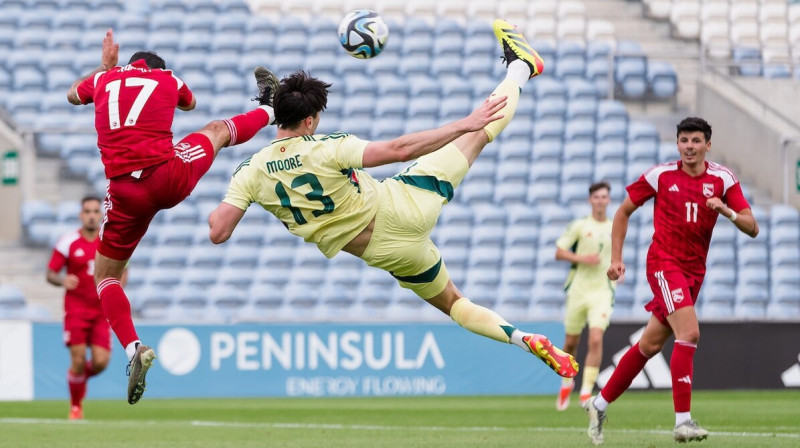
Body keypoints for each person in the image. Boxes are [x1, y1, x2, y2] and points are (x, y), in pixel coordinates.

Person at [208, 20, 579, 380]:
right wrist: (461, 124)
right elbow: (399, 150)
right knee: (480, 132)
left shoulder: (251, 171)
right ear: (309, 121)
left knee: (454, 304)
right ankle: (522, 67)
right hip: (403, 203)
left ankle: (521, 338)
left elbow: (218, 232)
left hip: (388, 253)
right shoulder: (328, 147)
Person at [67, 29, 280, 404]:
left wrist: (104, 67)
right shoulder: (168, 78)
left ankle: (133, 348)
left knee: (105, 276)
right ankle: (270, 107)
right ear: (157, 68)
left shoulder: (100, 80)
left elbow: (71, 95)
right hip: (167, 177)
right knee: (215, 131)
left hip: (124, 194)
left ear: (130, 63)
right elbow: (190, 105)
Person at [585, 117, 759, 445]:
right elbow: (622, 212)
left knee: (650, 344)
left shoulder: (722, 180)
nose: (689, 147)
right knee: (689, 332)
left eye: (695, 141)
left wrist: (727, 211)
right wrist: (616, 259)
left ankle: (598, 404)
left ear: (708, 144)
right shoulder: (660, 175)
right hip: (664, 264)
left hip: (695, 271)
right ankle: (683, 422)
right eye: (683, 140)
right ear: (677, 143)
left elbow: (753, 227)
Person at [46, 196, 128, 419]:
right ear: (81, 215)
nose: (92, 215)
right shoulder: (68, 242)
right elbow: (50, 273)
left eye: (95, 211)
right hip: (76, 309)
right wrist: (62, 280)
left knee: (101, 362)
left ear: (101, 214)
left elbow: (124, 269)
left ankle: (76, 378)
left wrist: (117, 289)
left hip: (102, 312)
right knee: (79, 359)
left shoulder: (110, 240)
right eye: (87, 211)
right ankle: (75, 407)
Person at [553, 181, 614, 411]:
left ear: (609, 200)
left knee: (596, 339)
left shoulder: (614, 226)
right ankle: (567, 382)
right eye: (597, 197)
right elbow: (559, 252)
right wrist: (583, 259)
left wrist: (618, 267)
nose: (600, 201)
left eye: (604, 197)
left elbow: (618, 253)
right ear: (591, 200)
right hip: (579, 289)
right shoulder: (580, 225)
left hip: (602, 290)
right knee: (571, 342)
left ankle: (586, 392)